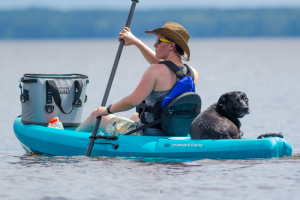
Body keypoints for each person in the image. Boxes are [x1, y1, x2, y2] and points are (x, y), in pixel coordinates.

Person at [48, 22, 199, 136]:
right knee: (135, 116)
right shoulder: (192, 73)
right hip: (173, 130)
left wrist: (107, 110)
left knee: (96, 116)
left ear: (172, 45)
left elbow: (133, 101)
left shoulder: (155, 71)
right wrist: (136, 42)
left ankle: (70, 137)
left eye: (159, 41)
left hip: (149, 133)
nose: (155, 44)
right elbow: (168, 67)